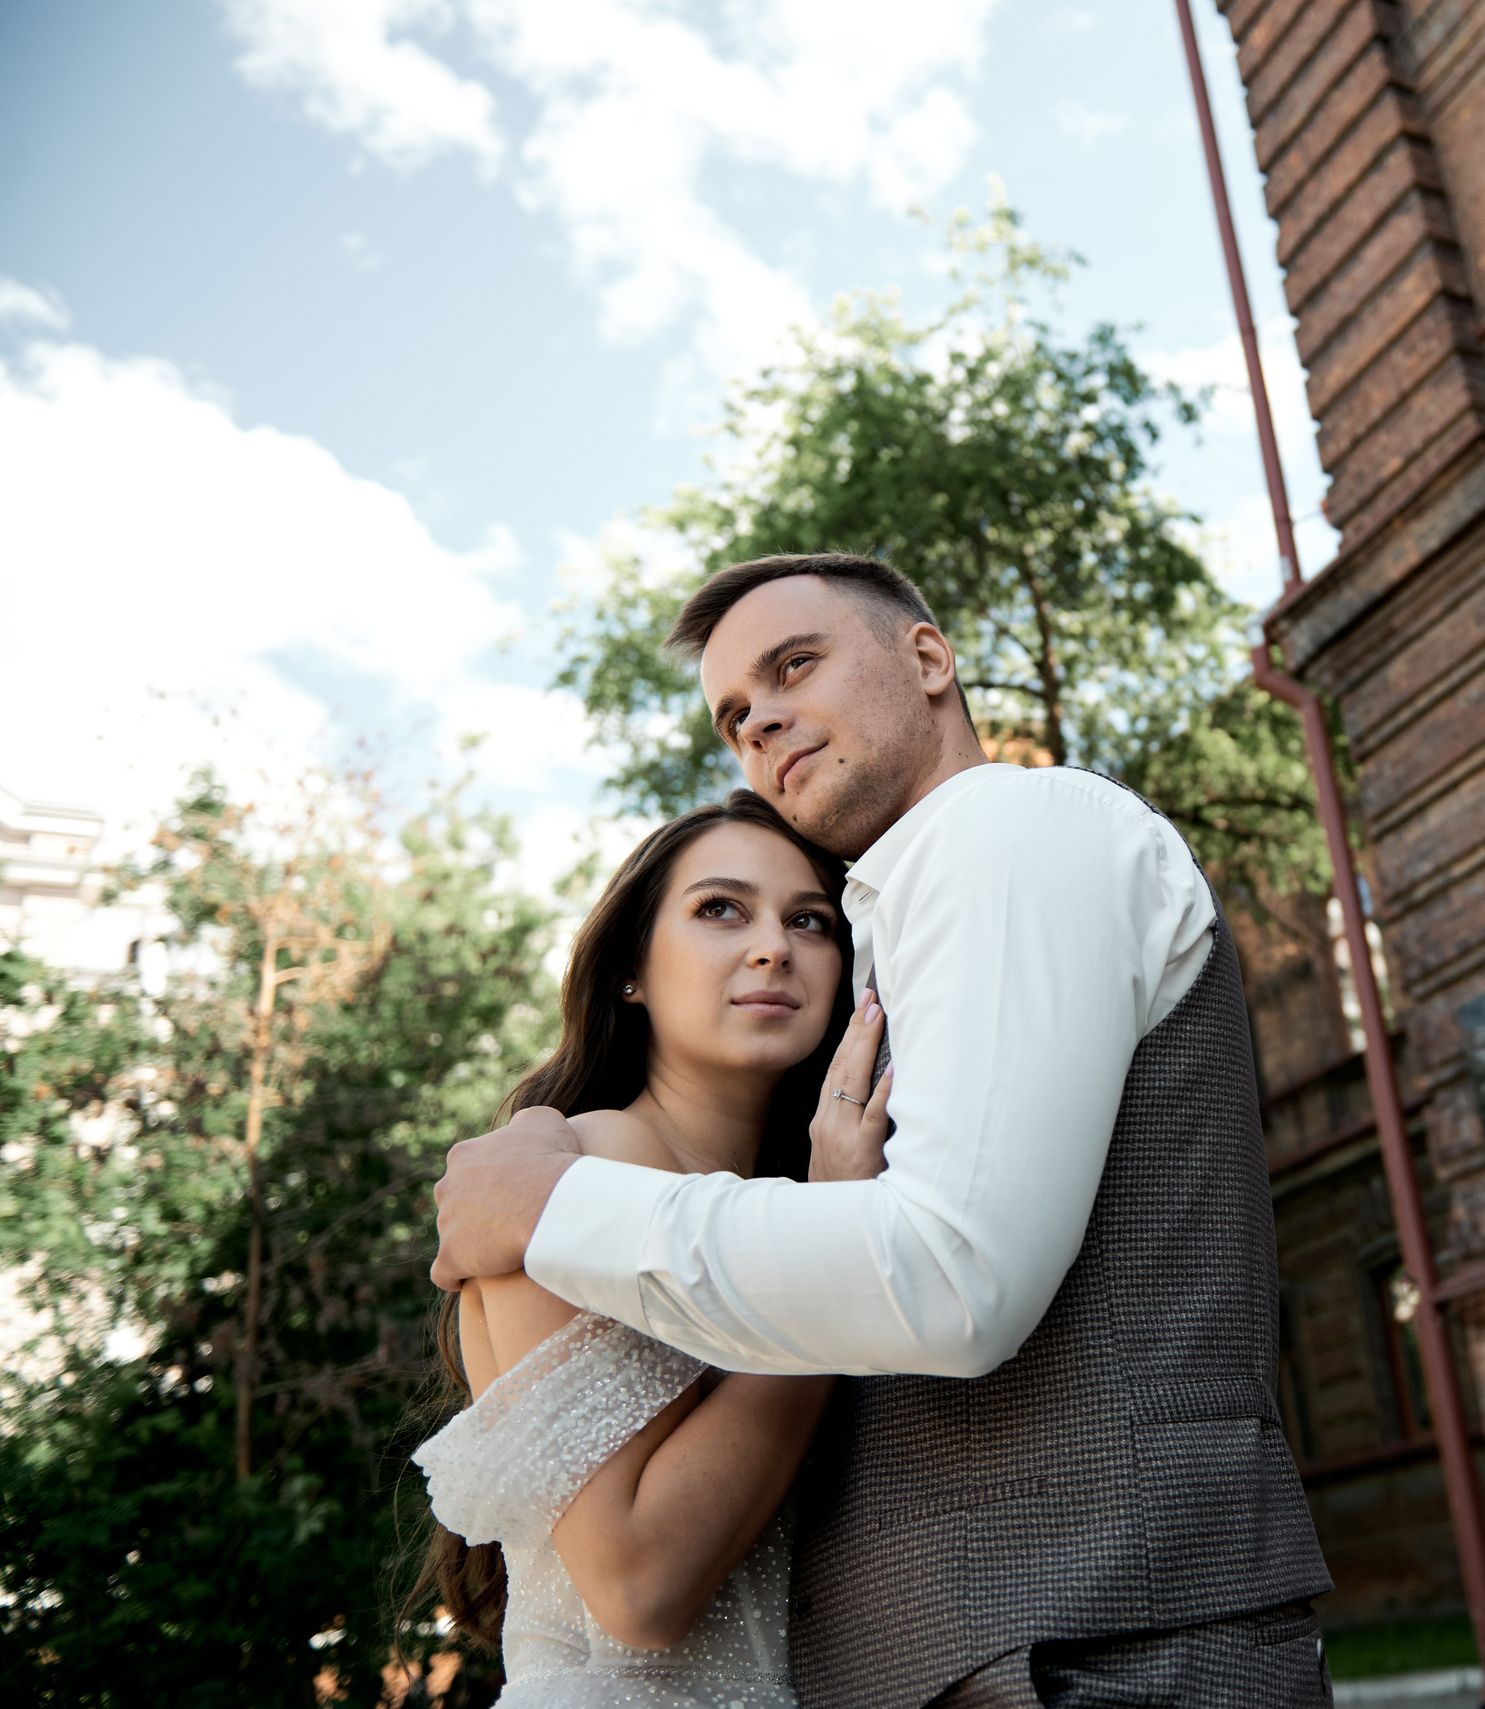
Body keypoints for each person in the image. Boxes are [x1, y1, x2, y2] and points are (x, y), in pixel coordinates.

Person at [429, 553, 1332, 1708]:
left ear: (927, 657)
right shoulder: (893, 963)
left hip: (1101, 1644)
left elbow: (952, 1272)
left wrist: (556, 1208)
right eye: (734, 715)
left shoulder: (1014, 827)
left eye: (794, 664)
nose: (760, 721)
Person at [410, 792, 896, 1706]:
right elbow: (639, 1582)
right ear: (631, 969)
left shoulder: (802, 1194)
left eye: (810, 921)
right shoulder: (570, 1172)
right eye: (721, 908)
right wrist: (839, 1250)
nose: (772, 946)